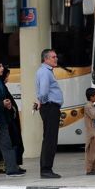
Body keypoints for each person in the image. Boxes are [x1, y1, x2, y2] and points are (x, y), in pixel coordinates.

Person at [0, 60, 25, 177]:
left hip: (2, 120)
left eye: (2, 66)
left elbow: (3, 98)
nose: (2, 68)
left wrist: (7, 104)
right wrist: (2, 104)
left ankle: (12, 169)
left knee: (7, 145)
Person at [36, 49, 63, 179]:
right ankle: (46, 169)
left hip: (50, 107)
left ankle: (46, 168)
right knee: (50, 140)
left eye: (56, 56)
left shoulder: (46, 71)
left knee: (49, 138)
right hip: (50, 107)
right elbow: (43, 92)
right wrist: (46, 103)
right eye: (53, 57)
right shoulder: (45, 72)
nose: (56, 59)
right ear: (45, 59)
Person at [0, 67, 25, 171]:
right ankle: (11, 166)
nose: (8, 79)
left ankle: (14, 165)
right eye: (7, 76)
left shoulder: (3, 87)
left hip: (11, 120)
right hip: (8, 121)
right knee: (13, 143)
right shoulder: (1, 87)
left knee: (15, 143)